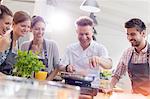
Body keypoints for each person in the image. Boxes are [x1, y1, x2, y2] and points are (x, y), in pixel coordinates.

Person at [59, 16, 112, 88]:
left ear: (92, 32)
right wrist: (67, 67)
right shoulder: (70, 48)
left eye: (87, 34)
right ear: (77, 32)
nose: (84, 37)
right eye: (81, 34)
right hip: (71, 86)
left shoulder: (100, 48)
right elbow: (60, 66)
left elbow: (109, 65)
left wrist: (99, 60)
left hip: (92, 86)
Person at [111, 18, 150, 96]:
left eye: (133, 34)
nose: (129, 38)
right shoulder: (127, 53)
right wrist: (110, 86)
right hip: (135, 95)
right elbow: (116, 75)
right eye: (127, 34)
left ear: (143, 33)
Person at [21, 16, 60, 80]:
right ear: (31, 29)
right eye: (37, 29)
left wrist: (46, 82)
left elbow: (57, 67)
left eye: (43, 29)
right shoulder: (24, 46)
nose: (40, 32)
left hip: (45, 84)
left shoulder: (52, 45)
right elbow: (21, 68)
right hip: (27, 83)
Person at [0, 11, 31, 75]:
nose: (26, 29)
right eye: (23, 26)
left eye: (28, 27)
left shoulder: (18, 43)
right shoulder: (5, 40)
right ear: (13, 24)